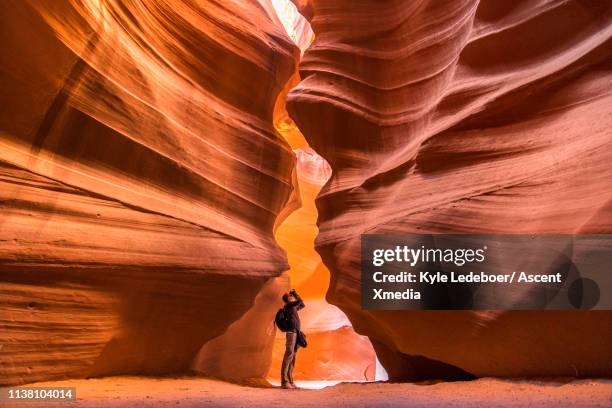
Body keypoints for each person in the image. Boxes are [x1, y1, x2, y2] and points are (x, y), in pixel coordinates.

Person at [280, 288, 305, 389]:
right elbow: (300, 301)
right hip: (291, 333)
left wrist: (294, 295)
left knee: (292, 355)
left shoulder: (292, 307)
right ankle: (284, 381)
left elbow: (302, 305)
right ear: (288, 299)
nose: (292, 297)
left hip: (295, 332)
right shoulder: (288, 305)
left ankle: (290, 380)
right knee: (289, 354)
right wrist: (295, 293)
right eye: (290, 296)